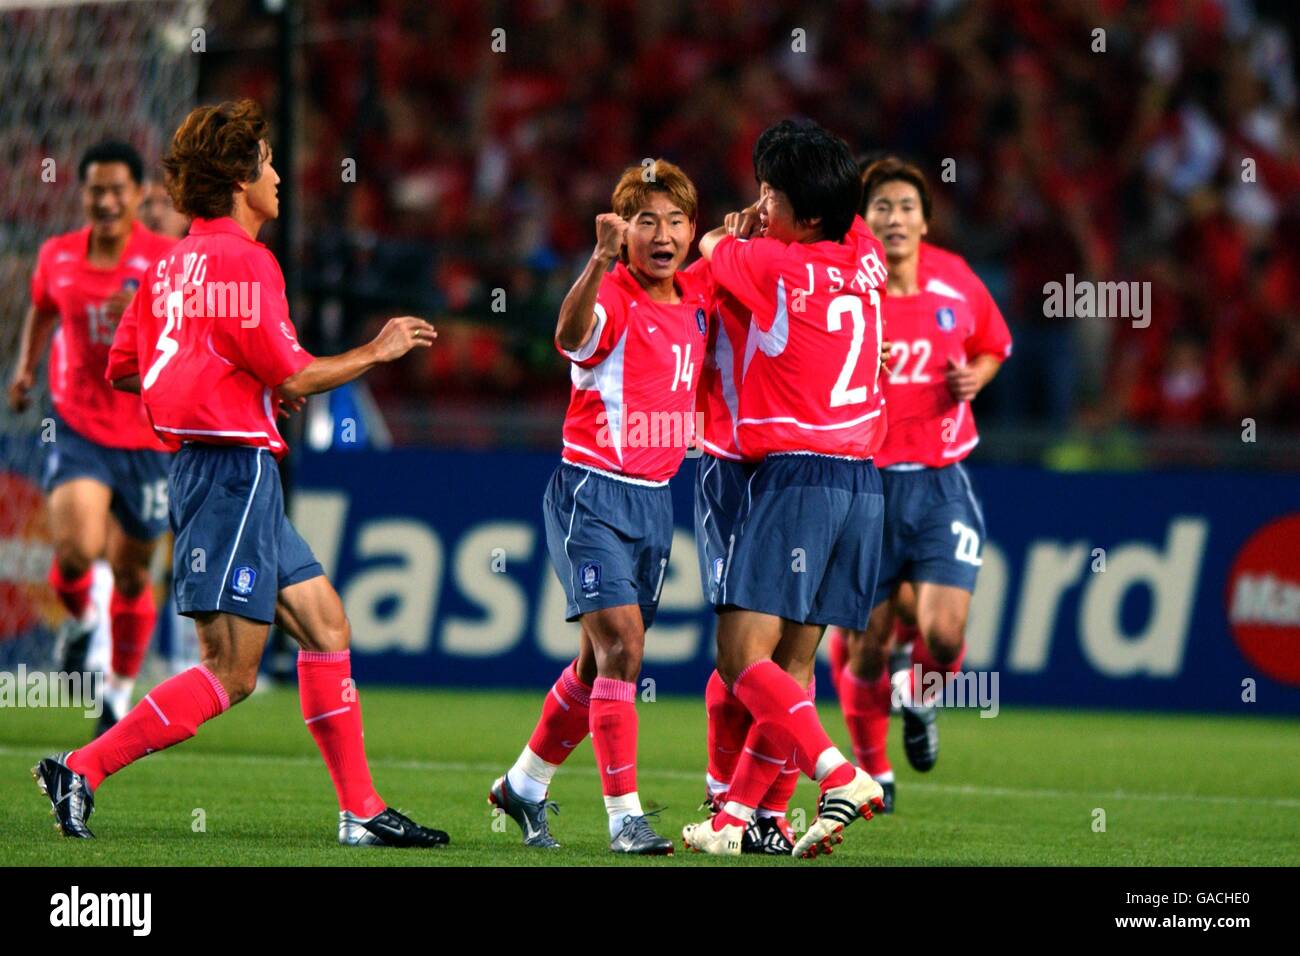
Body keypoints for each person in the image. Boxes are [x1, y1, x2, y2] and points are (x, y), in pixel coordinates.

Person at [33, 99, 447, 848]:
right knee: (232, 673)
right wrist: (375, 350)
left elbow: (127, 367)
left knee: (326, 624)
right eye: (268, 162)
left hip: (221, 465)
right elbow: (296, 372)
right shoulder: (249, 263)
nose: (281, 176)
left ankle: (360, 810)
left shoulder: (168, 264)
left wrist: (231, 387)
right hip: (230, 475)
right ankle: (81, 769)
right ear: (239, 178)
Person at [489, 159, 711, 855]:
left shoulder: (697, 301)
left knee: (595, 666)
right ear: (625, 231)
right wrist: (596, 260)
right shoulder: (612, 293)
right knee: (625, 646)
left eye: (675, 220)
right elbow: (568, 336)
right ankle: (624, 818)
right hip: (593, 492)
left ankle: (523, 787)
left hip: (655, 503)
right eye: (646, 220)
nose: (663, 233)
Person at [681, 122, 890, 858]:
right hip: (863, 482)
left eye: (771, 192)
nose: (760, 201)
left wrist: (728, 233)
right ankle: (738, 821)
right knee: (794, 665)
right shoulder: (863, 255)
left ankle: (837, 773)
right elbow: (843, 205)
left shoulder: (771, 264)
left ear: (805, 218)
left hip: (793, 473)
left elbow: (708, 248)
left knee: (741, 659)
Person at [827, 157, 1011, 812]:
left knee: (942, 635)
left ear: (925, 221)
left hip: (940, 482)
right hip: (867, 486)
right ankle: (874, 769)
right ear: (865, 221)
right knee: (868, 644)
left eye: (906, 206)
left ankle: (920, 700)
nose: (894, 217)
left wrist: (977, 380)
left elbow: (994, 344)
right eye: (881, 207)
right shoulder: (846, 288)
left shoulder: (957, 280)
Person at [9, 141, 177, 733]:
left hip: (150, 437)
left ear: (137, 195)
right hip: (79, 426)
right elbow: (42, 308)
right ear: (82, 193)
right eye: (95, 190)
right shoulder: (56, 256)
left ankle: (118, 691)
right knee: (78, 549)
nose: (105, 201)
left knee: (133, 574)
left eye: (117, 190)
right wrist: (25, 369)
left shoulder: (165, 259)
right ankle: (81, 626)